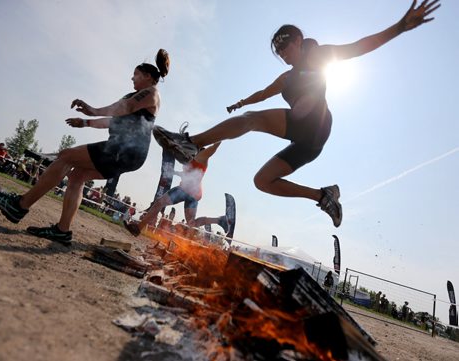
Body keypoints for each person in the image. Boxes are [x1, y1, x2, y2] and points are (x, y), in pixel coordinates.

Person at [151, 0, 440, 228]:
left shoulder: (316, 55)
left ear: (299, 40)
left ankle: (192, 142)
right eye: (277, 50)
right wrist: (239, 102)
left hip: (316, 123)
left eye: (284, 45)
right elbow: (263, 93)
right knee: (262, 181)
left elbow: (357, 48)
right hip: (305, 144)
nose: (282, 52)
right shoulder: (285, 79)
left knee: (255, 119)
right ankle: (323, 196)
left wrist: (400, 26)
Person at [0, 49, 170, 245]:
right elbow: (113, 121)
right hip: (126, 151)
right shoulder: (136, 95)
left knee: (66, 156)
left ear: (148, 76)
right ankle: (61, 231)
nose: (132, 77)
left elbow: (124, 108)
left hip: (124, 149)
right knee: (77, 176)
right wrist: (85, 122)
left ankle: (19, 206)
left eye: (136, 74)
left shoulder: (151, 93)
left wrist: (91, 110)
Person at [123, 142, 229, 237]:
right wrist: (174, 172)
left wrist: (221, 136)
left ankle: (138, 228)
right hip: (194, 195)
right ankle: (220, 220)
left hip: (184, 190)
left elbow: (213, 148)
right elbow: (186, 175)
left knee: (159, 203)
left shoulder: (203, 158)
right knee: (191, 223)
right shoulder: (194, 162)